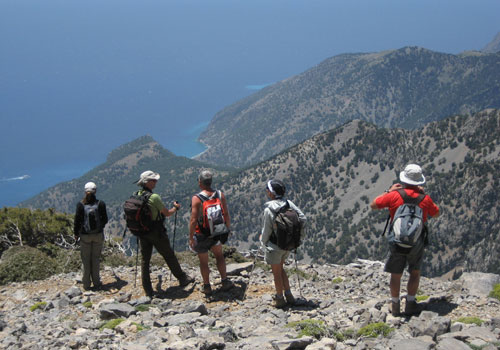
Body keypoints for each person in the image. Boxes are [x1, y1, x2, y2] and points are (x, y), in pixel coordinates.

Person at [370, 164, 440, 316]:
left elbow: (374, 204)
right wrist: (424, 196)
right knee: (415, 272)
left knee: (396, 274)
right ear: (419, 182)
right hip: (417, 241)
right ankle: (410, 304)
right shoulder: (425, 199)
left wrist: (389, 191)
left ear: (404, 179)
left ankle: (395, 306)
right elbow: (436, 213)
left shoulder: (395, 195)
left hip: (396, 240)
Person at [134, 170, 194, 298]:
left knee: (145, 260)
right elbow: (166, 213)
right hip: (156, 232)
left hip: (142, 232)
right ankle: (183, 278)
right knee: (168, 255)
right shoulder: (154, 197)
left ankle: (148, 290)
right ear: (147, 182)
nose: (156, 182)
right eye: (154, 180)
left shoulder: (136, 195)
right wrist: (175, 208)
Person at [260, 179, 306, 308]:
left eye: (267, 189)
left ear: (271, 193)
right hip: (288, 244)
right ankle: (289, 295)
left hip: (275, 246)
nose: (266, 191)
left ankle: (280, 298)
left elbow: (267, 230)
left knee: (276, 273)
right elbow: (303, 218)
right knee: (281, 269)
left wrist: (262, 243)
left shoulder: (269, 210)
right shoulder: (289, 204)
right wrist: (299, 236)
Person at [189, 170, 233, 296]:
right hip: (217, 231)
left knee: (203, 261)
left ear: (200, 182)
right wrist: (227, 229)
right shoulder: (219, 194)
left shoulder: (197, 198)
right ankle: (224, 281)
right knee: (219, 256)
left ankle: (207, 286)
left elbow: (193, 220)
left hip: (201, 233)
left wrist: (191, 237)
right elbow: (226, 214)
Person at [74, 182, 108, 291]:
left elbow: (77, 221)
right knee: (95, 259)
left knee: (86, 260)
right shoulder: (100, 203)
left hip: (85, 236)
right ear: (96, 191)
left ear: (85, 192)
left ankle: (87, 285)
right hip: (98, 235)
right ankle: (97, 283)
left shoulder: (81, 204)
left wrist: (76, 234)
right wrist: (100, 228)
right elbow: (105, 219)